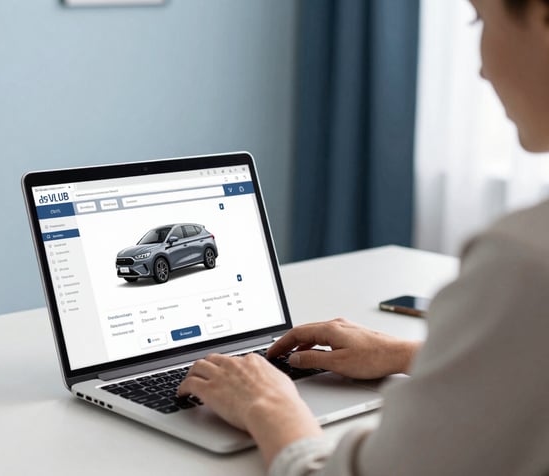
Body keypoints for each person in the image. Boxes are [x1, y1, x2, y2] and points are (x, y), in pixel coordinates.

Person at [177, 0, 549, 474]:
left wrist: (267, 404)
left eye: (480, 19)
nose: (479, 68)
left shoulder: (525, 262)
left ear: (541, 17)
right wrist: (409, 355)